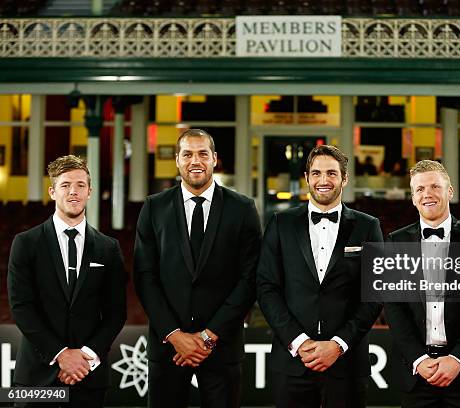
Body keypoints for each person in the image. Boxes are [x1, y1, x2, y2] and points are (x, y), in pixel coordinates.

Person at [134, 129, 261, 408]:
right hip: (168, 348)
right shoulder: (154, 208)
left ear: (215, 159)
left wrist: (209, 336)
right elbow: (145, 276)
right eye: (188, 154)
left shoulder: (242, 208)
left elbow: (250, 278)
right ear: (177, 161)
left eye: (203, 153)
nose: (196, 160)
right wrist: (174, 335)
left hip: (222, 346)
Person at [257, 145, 383, 408]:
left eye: (331, 173)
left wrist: (338, 345)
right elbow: (267, 287)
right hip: (292, 363)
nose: (323, 181)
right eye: (316, 173)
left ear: (344, 179)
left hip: (347, 363)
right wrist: (299, 342)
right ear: (307, 178)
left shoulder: (368, 226)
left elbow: (374, 294)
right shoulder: (281, 223)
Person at [8, 155, 127, 408]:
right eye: (65, 185)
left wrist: (85, 359)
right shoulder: (26, 243)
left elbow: (116, 312)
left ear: (90, 191)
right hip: (36, 379)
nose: (73, 192)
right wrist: (61, 355)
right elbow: (21, 307)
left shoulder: (108, 248)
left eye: (80, 185)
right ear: (52, 191)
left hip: (88, 378)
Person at [384, 160, 460, 408]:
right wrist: (419, 359)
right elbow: (394, 307)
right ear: (413, 198)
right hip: (416, 373)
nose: (427, 194)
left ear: (450, 191)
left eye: (435, 186)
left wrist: (457, 358)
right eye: (420, 189)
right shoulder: (396, 241)